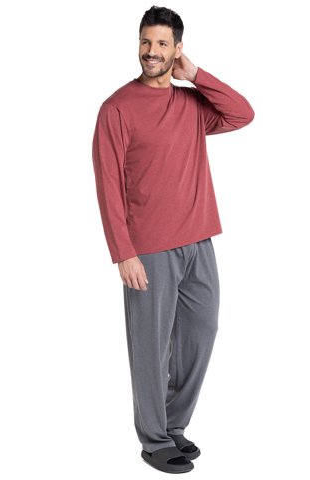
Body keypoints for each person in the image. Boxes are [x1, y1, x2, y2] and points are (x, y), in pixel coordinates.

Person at [91, 5, 254, 474]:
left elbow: (242, 113)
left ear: (177, 49)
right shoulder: (117, 108)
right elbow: (107, 184)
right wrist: (124, 252)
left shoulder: (191, 105)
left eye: (162, 43)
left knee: (201, 333)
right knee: (150, 344)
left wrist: (196, 75)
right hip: (149, 249)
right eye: (146, 42)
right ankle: (154, 439)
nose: (152, 51)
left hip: (199, 241)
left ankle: (173, 423)